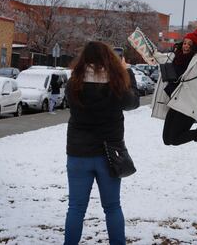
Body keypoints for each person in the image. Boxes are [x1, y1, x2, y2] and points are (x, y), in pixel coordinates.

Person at [64, 41, 139, 245]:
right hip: (109, 155)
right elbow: (133, 102)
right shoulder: (116, 85)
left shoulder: (73, 84)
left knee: (76, 208)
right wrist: (128, 72)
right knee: (113, 207)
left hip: (78, 154)